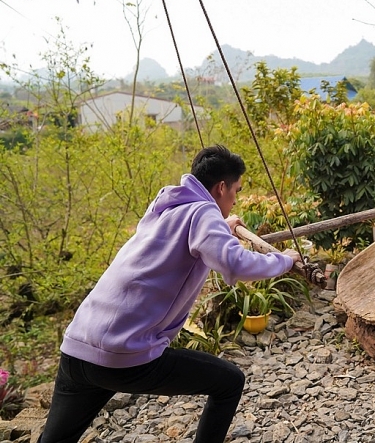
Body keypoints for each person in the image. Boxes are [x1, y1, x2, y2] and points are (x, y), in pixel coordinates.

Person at [39, 145, 301, 443]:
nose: (235, 199)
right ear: (221, 187)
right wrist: (285, 261)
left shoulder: (166, 206)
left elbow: (187, 237)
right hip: (123, 356)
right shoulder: (204, 212)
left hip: (77, 347)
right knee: (230, 382)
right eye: (236, 192)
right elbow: (233, 264)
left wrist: (222, 227)